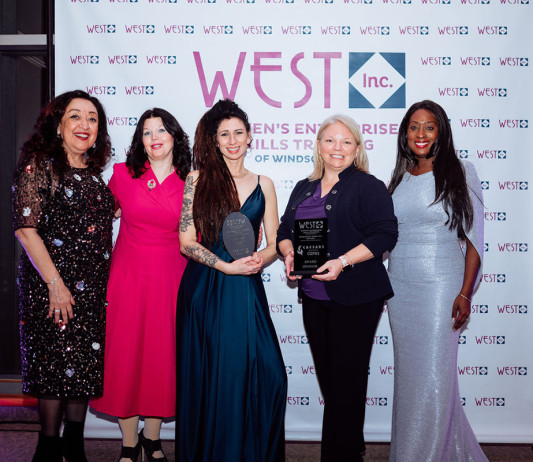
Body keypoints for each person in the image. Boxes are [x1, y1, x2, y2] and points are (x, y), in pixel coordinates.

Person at [277, 115, 398, 462]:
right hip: (314, 298)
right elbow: (284, 231)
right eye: (330, 140)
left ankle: (340, 455)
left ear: (357, 149)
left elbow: (385, 234)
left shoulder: (368, 186)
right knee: (333, 383)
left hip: (356, 297)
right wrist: (289, 254)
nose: (337, 148)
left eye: (346, 142)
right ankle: (351, 447)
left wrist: (342, 262)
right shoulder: (303, 187)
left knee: (346, 382)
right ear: (319, 146)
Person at [175, 99, 287, 462]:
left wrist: (258, 260)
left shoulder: (264, 183)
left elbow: (274, 242)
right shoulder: (196, 180)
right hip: (207, 287)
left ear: (250, 136)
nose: (233, 140)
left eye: (239, 132)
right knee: (215, 375)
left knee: (269, 373)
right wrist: (226, 267)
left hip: (246, 286)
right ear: (215, 140)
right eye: (225, 134)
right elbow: (186, 241)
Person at [12, 90, 114, 461]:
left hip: (91, 291)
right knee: (54, 367)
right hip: (52, 287)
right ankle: (47, 448)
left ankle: (74, 445)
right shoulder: (39, 165)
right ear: (58, 124)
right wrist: (56, 285)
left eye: (92, 118)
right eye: (75, 116)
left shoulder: (94, 175)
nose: (84, 124)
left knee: (81, 366)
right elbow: (26, 230)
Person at [387, 100, 487, 461]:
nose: (421, 134)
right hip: (399, 288)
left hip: (440, 286)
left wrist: (465, 293)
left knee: (434, 374)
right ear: (405, 133)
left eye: (429, 126)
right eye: (414, 127)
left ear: (441, 131)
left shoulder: (461, 171)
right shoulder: (399, 177)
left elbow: (474, 240)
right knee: (410, 378)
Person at [90, 108, 191, 462]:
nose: (154, 137)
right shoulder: (122, 174)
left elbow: (204, 228)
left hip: (171, 278)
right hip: (128, 278)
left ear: (174, 136)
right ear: (140, 141)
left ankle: (153, 438)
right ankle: (129, 443)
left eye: (161, 130)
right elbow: (99, 218)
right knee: (127, 356)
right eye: (147, 132)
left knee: (161, 357)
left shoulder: (191, 180)